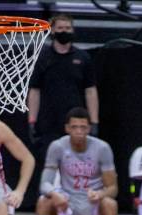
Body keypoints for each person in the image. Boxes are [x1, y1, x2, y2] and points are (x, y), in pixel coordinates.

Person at [27, 14, 99, 149]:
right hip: (48, 121)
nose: (64, 31)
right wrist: (32, 121)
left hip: (76, 121)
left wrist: (94, 122)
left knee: (76, 162)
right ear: (52, 30)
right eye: (60, 28)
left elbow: (90, 91)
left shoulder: (83, 58)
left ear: (73, 30)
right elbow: (35, 90)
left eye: (68, 28)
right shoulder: (42, 57)